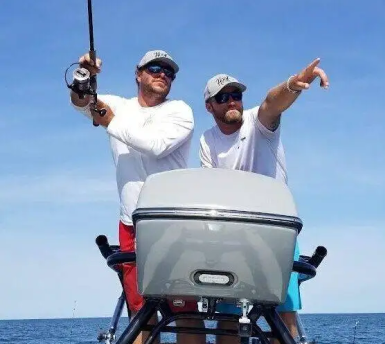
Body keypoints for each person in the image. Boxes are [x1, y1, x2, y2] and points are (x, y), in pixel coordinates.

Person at [70, 49, 205, 344]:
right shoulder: (117, 105)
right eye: (155, 68)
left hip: (173, 225)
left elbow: (155, 145)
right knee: (139, 311)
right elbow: (82, 103)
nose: (162, 75)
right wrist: (84, 77)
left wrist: (109, 121)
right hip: (130, 224)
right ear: (138, 73)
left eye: (169, 72)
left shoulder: (180, 110)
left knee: (186, 312)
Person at [199, 58, 329, 344]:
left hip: (276, 230)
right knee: (227, 320)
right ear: (209, 106)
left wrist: (292, 85)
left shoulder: (258, 122)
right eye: (223, 97)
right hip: (233, 237)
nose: (232, 101)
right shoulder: (206, 141)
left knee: (283, 315)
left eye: (236, 95)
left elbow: (273, 103)